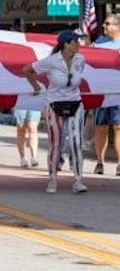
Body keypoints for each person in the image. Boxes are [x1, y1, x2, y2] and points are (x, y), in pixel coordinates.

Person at [23, 29, 87, 194]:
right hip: (54, 105)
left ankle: (78, 181)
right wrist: (36, 87)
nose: (78, 44)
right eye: (75, 42)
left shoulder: (80, 59)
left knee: (77, 143)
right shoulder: (51, 61)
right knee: (55, 144)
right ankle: (52, 180)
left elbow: (77, 78)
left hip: (75, 103)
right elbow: (27, 70)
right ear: (66, 44)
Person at [91, 13, 120, 175]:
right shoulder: (99, 44)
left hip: (118, 92)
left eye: (108, 24)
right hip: (101, 92)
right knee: (101, 128)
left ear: (117, 27)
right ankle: (100, 162)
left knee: (118, 127)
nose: (104, 26)